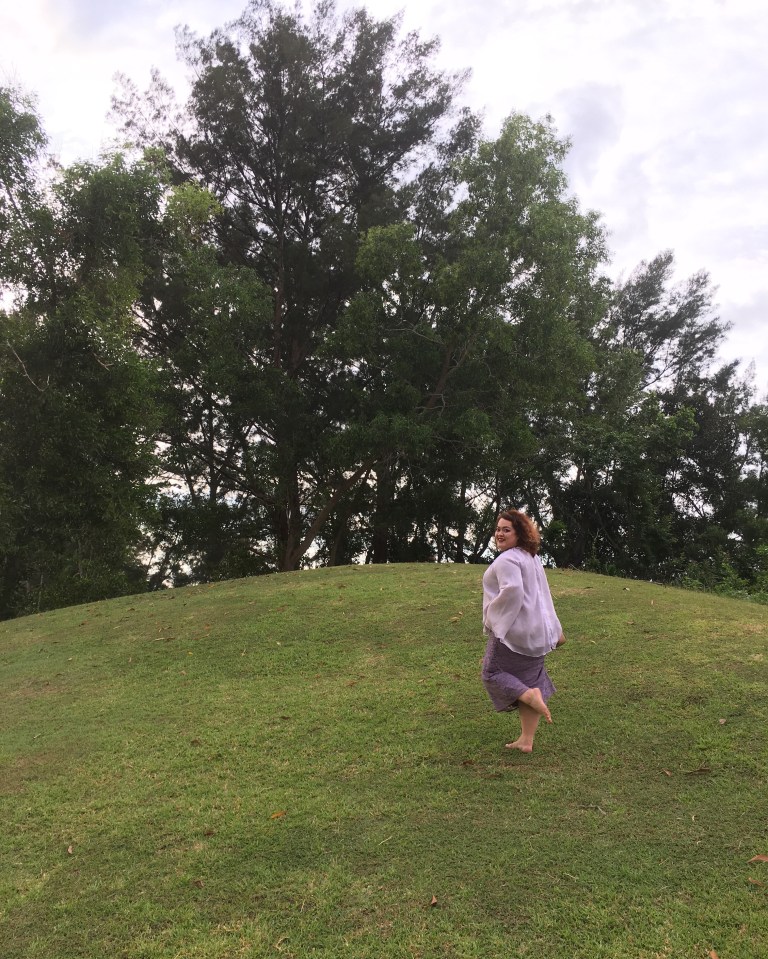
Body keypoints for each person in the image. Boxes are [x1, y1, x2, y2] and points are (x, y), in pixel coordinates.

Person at [481, 509, 566, 752]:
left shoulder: (507, 560)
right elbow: (542, 595)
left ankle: (529, 697)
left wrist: (493, 619)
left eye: (506, 530)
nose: (499, 534)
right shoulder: (531, 557)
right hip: (538, 634)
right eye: (498, 529)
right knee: (530, 680)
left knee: (491, 672)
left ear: (519, 533)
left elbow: (513, 592)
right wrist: (553, 627)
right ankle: (526, 740)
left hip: (514, 632)